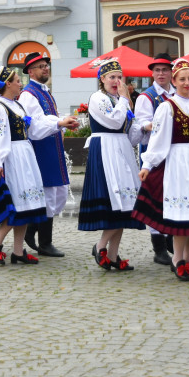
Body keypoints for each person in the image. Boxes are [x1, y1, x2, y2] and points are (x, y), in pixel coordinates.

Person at [133, 59, 189, 282]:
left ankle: (188, 259)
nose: (186, 82)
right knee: (181, 215)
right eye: (182, 79)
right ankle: (178, 261)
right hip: (178, 161)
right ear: (174, 81)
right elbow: (158, 138)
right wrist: (148, 164)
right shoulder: (167, 107)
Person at [0, 66, 76, 265]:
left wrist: (59, 123)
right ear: (7, 84)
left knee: (29, 205)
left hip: (26, 155)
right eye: (17, 80)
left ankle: (18, 251)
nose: (20, 84)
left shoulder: (17, 106)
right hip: (12, 157)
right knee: (17, 204)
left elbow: (34, 127)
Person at [78, 59, 144, 271]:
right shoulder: (98, 98)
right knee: (113, 201)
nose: (116, 81)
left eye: (119, 77)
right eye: (112, 77)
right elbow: (114, 122)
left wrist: (144, 128)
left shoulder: (119, 100)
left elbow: (130, 134)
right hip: (105, 149)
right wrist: (125, 100)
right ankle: (101, 246)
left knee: (126, 203)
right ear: (102, 79)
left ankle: (113, 255)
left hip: (122, 149)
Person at [20, 52, 75, 256]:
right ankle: (44, 242)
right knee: (48, 193)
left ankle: (31, 231)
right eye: (41, 66)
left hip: (51, 146)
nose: (46, 68)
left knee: (56, 192)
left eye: (46, 65)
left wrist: (62, 126)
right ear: (31, 71)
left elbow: (49, 119)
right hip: (40, 148)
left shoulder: (45, 92)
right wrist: (58, 123)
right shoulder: (28, 94)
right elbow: (34, 126)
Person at [134, 52, 176, 266]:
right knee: (155, 197)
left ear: (171, 72)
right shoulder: (146, 97)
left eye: (165, 70)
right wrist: (155, 124)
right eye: (157, 70)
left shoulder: (177, 93)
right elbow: (141, 123)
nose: (161, 74)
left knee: (172, 194)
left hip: (175, 153)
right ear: (152, 73)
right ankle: (158, 246)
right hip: (153, 153)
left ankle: (171, 237)